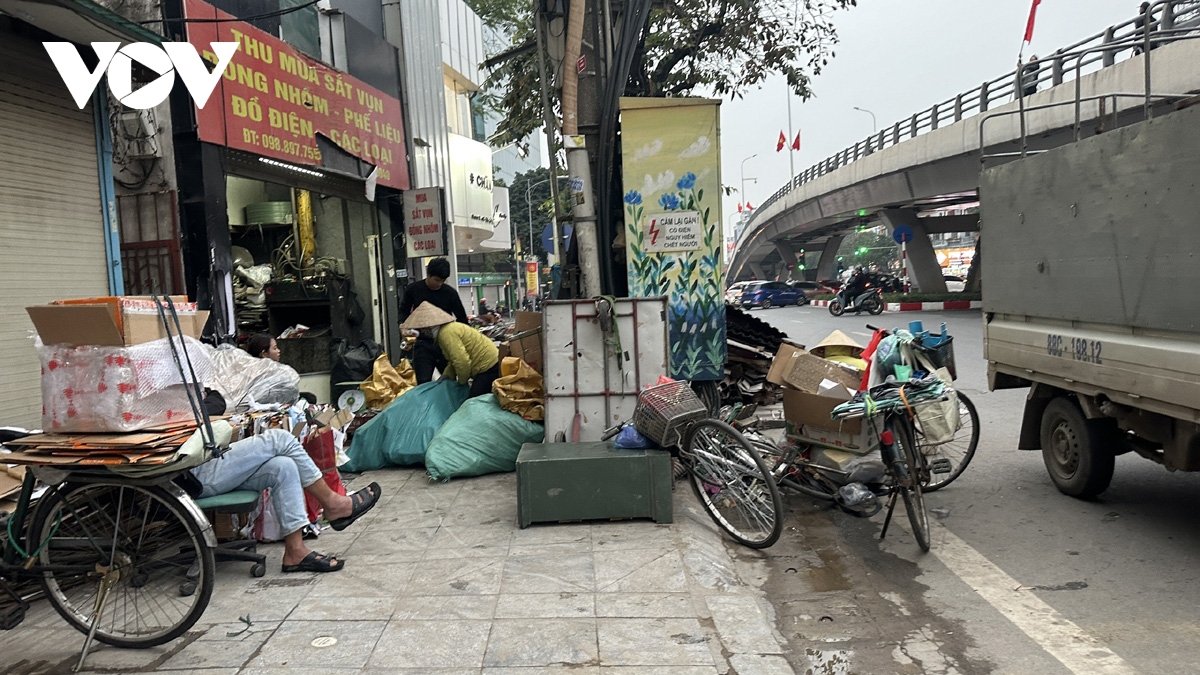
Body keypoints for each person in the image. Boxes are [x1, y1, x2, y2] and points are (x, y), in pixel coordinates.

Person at [190, 429, 381, 573]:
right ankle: (333, 504)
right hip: (190, 475)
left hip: (202, 459)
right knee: (281, 438)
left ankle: (295, 552)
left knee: (284, 466)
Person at [401, 302, 500, 398]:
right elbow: (453, 360)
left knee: (473, 403)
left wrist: (461, 382)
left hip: (488, 367)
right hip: (489, 364)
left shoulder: (446, 334)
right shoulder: (445, 332)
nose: (423, 332)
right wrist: (447, 375)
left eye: (423, 329)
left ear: (430, 328)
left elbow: (462, 361)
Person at [398, 257, 468, 383]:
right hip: (422, 342)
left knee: (448, 381)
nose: (439, 284)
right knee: (423, 381)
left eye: (443, 281)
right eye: (436, 280)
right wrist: (403, 327)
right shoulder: (414, 289)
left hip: (445, 343)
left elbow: (462, 318)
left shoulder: (450, 293)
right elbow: (403, 311)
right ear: (428, 274)